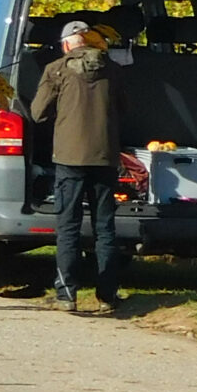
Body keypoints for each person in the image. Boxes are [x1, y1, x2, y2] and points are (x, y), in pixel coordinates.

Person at [31, 18, 123, 313]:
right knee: (105, 228)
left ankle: (66, 295)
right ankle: (107, 296)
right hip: (105, 156)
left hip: (69, 158)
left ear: (68, 44)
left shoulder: (56, 69)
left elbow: (37, 113)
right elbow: (124, 108)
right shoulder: (113, 69)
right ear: (87, 40)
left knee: (68, 226)